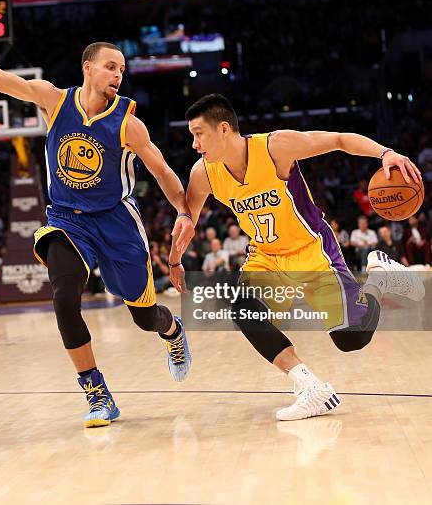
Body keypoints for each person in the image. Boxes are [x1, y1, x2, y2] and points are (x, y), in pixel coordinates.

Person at [0, 0, 194, 428]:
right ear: (88, 68)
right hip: (67, 220)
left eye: (122, 70)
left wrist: (184, 211)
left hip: (116, 223)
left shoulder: (129, 123)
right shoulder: (54, 100)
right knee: (64, 297)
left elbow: (163, 171)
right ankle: (96, 392)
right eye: (110, 67)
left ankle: (172, 332)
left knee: (145, 317)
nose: (117, 74)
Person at [168, 94, 424, 421]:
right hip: (267, 256)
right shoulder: (203, 173)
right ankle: (308, 386)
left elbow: (340, 140)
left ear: (223, 129)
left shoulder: (276, 147)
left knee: (351, 339)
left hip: (311, 250)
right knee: (244, 310)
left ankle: (378, 277)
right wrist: (175, 260)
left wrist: (386, 153)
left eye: (198, 133)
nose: (194, 143)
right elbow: (186, 219)